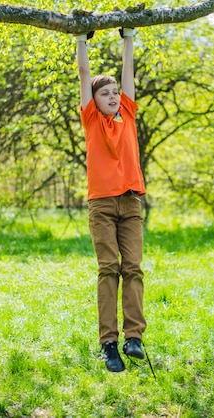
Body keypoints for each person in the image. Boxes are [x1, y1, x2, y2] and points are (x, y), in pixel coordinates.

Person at [75, 28, 147, 373]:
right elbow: (84, 74)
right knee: (109, 269)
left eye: (115, 92)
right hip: (102, 206)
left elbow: (127, 72)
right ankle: (109, 344)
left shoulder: (128, 116)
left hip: (131, 204)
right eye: (106, 93)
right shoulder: (91, 120)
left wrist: (128, 39)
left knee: (133, 268)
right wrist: (80, 41)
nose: (113, 96)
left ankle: (134, 337)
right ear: (95, 99)